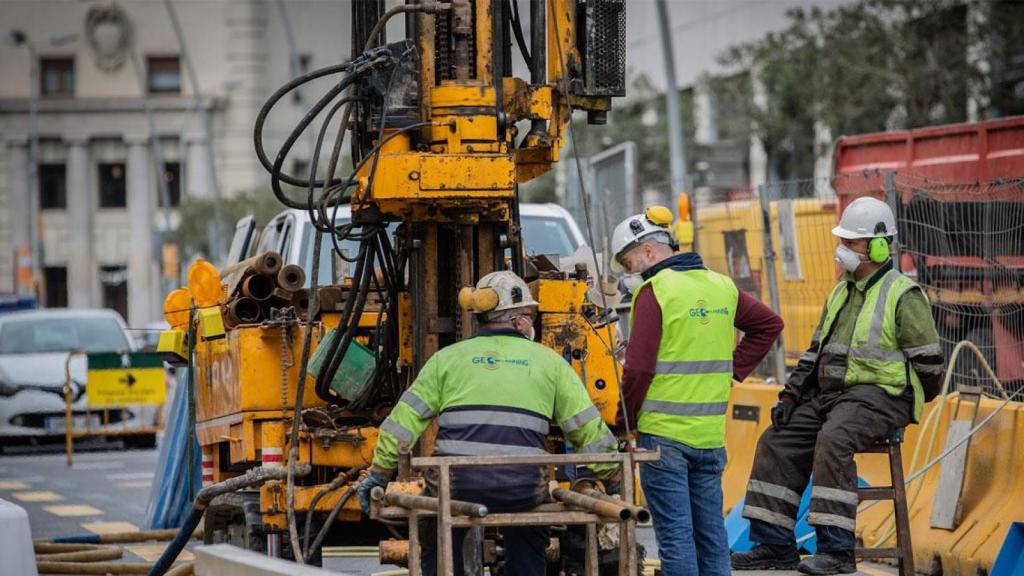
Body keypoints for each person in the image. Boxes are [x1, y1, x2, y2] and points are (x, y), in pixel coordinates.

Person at [731, 197, 944, 575]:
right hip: (834, 396)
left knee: (833, 440)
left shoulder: (902, 294)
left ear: (878, 247)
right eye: (842, 240)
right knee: (777, 440)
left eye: (850, 242)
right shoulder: (840, 291)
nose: (841, 248)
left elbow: (930, 365)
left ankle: (837, 551)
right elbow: (814, 353)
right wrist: (791, 395)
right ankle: (775, 546)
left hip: (883, 396)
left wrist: (905, 400)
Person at [358, 270, 621, 576]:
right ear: (519, 321)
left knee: (437, 529)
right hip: (522, 488)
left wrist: (378, 473)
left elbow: (402, 423)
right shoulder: (550, 363)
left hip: (457, 485)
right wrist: (612, 476)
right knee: (529, 536)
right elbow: (586, 429)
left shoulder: (446, 360)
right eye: (529, 317)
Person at [611, 206, 785, 576]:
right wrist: (731, 370)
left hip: (663, 440)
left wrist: (622, 421)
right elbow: (769, 324)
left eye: (628, 263)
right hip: (709, 439)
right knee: (712, 539)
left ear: (647, 251)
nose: (629, 273)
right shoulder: (721, 286)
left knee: (676, 538)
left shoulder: (655, 291)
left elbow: (639, 369)